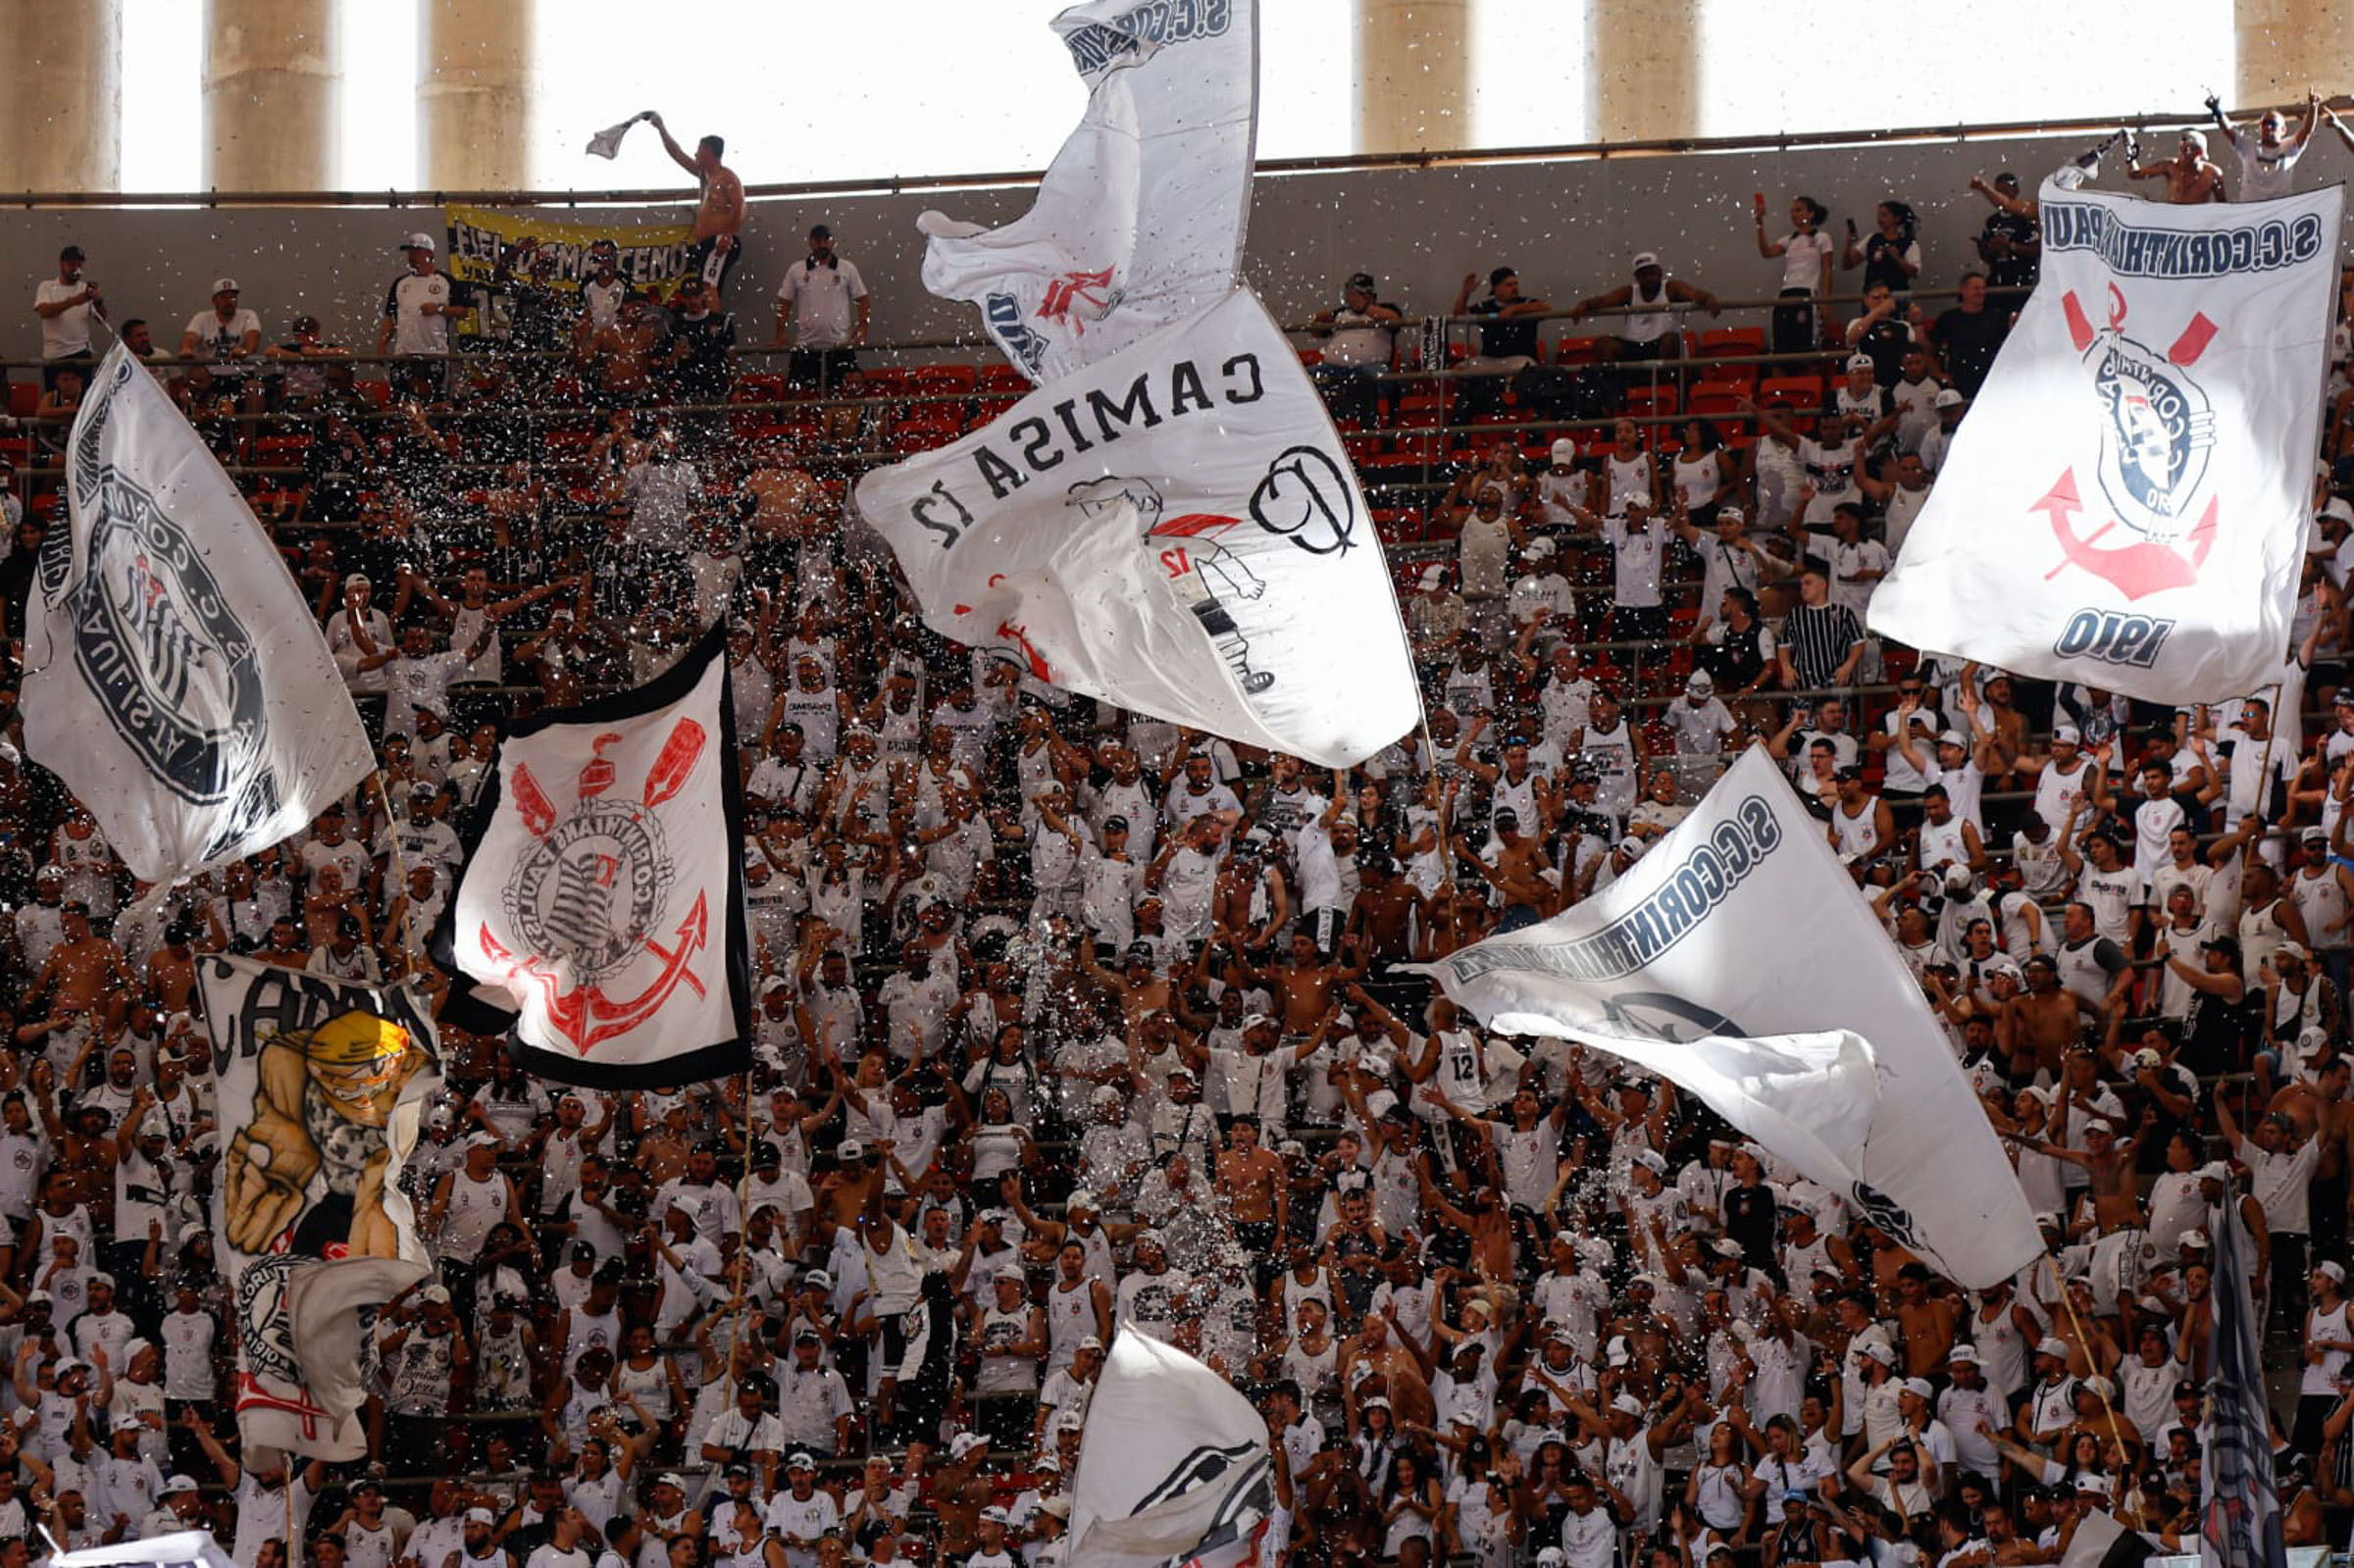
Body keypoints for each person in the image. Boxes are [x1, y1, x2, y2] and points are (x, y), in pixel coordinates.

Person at [646, 112, 746, 293]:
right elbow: (677, 154)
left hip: (721, 240)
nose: (695, 153)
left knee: (708, 288)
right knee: (704, 289)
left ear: (708, 150)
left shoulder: (727, 177)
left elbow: (740, 206)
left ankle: (713, 314)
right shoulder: (705, 176)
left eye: (698, 149)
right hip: (707, 243)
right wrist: (661, 128)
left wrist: (728, 236)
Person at [773, 226, 869, 390]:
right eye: (818, 241)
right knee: (795, 395)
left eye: (826, 240)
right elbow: (784, 302)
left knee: (843, 395)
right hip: (805, 346)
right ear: (810, 243)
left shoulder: (847, 268)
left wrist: (863, 328)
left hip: (840, 346)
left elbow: (863, 299)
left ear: (833, 242)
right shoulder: (797, 270)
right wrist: (780, 332)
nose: (822, 245)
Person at [1307, 272, 1404, 424]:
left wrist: (1365, 307)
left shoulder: (1384, 309)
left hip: (1371, 368)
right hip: (1334, 368)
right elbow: (1316, 333)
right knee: (1307, 375)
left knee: (1365, 378)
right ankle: (1312, 423)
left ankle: (1367, 425)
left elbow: (1395, 320)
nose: (1352, 298)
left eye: (1357, 294)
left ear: (1369, 294)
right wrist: (1319, 319)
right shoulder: (1341, 313)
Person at [379, 231, 468, 388]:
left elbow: (462, 312)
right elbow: (390, 317)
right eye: (410, 252)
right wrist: (382, 344)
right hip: (404, 354)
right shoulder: (400, 283)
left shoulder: (446, 281)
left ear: (430, 254)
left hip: (434, 354)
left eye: (416, 251)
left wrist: (439, 308)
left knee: (434, 396)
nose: (411, 256)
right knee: (402, 397)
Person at [1752, 192, 1833, 356]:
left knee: (1806, 348)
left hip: (1808, 293)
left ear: (1810, 214)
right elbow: (1766, 252)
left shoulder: (1822, 238)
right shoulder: (1788, 240)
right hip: (1786, 293)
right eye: (1792, 211)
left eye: (1798, 210)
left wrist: (1825, 300)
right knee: (1782, 346)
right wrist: (1759, 224)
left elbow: (1828, 269)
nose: (1793, 214)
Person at [2209, 88, 2320, 200]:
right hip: (2250, 207)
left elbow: (2307, 130)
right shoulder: (2248, 146)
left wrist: (2313, 106)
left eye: (2273, 123)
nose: (2268, 127)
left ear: (2283, 130)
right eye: (2264, 123)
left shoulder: (2289, 147)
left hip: (2280, 207)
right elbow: (2229, 130)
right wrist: (2216, 110)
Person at [32, 244, 102, 386]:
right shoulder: (47, 286)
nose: (76, 269)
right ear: (61, 264)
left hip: (81, 354)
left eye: (79, 265)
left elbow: (101, 319)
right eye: (71, 264)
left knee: (84, 397)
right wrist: (73, 301)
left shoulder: (85, 289)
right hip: (55, 355)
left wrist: (98, 301)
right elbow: (44, 312)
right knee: (55, 397)